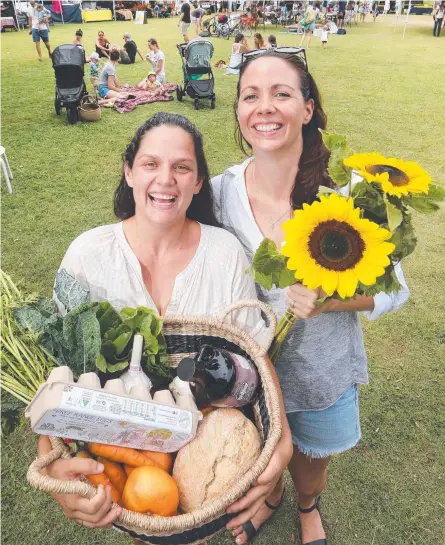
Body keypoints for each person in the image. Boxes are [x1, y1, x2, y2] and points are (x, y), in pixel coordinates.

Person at [36, 113, 293, 544]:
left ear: (198, 182)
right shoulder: (87, 256)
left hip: (205, 452)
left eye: (182, 167)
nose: (165, 180)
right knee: (145, 526)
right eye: (151, 164)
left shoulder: (225, 254)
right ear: (129, 171)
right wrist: (52, 463)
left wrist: (281, 441)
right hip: (128, 463)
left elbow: (253, 353)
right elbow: (57, 376)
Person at [211, 48, 410, 545]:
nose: (265, 107)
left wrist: (332, 301)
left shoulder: (349, 191)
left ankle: (306, 506)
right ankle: (272, 493)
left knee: (311, 462)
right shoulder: (217, 194)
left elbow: (395, 290)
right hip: (251, 374)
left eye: (282, 93)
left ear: (307, 107)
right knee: (261, 452)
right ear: (238, 110)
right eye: (250, 95)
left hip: (324, 370)